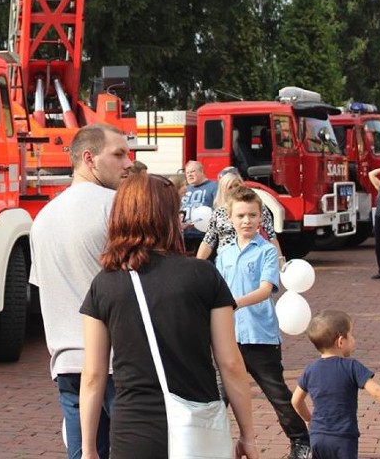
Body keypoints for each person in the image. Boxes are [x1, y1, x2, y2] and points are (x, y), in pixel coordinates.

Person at [79, 173, 258, 459]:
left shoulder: (105, 283)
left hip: (133, 429)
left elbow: (93, 374)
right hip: (198, 425)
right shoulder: (202, 275)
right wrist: (247, 435)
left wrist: (88, 448)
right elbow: (230, 362)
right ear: (169, 216)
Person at [29, 124, 133, 459]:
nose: (128, 162)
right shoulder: (117, 205)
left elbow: (46, 288)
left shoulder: (42, 218)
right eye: (118, 154)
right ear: (89, 158)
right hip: (120, 363)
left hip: (69, 365)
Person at [217, 186, 310, 459]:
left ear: (261, 218)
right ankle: (209, 445)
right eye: (241, 216)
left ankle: (301, 441)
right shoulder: (224, 253)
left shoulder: (267, 251)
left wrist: (234, 303)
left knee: (277, 394)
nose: (246, 221)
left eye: (252, 215)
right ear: (230, 218)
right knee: (217, 399)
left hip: (260, 336)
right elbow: (217, 288)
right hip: (228, 337)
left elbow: (266, 288)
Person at [291, 310, 380, 459]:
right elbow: (377, 391)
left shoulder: (310, 369)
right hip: (343, 437)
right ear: (340, 341)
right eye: (351, 334)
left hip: (317, 436)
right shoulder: (351, 366)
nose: (354, 339)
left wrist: (309, 419)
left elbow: (296, 400)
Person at [196, 170, 281, 264]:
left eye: (236, 185)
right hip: (226, 262)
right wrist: (197, 265)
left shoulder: (257, 207)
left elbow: (271, 236)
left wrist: (280, 262)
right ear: (223, 190)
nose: (234, 189)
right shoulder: (218, 212)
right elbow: (208, 241)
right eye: (230, 187)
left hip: (253, 259)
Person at [181, 160, 218, 254]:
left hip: (204, 237)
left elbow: (219, 209)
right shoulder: (185, 189)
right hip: (183, 236)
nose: (189, 175)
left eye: (192, 171)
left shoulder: (214, 187)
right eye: (187, 173)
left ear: (201, 171)